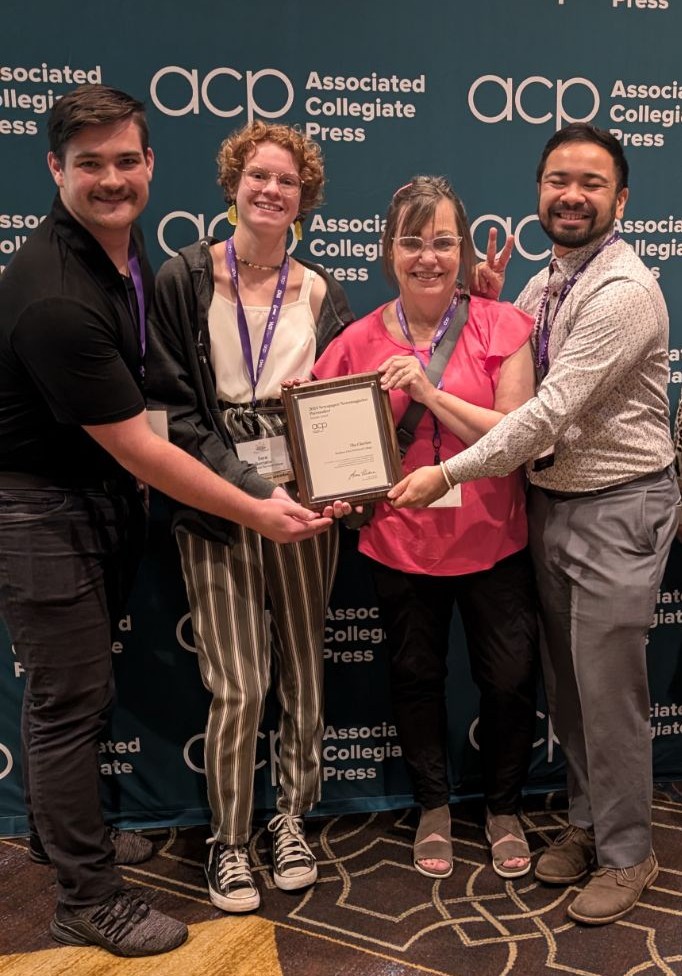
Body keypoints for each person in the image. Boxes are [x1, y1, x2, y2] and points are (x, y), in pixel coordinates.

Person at [0, 86, 335, 958]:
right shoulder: (64, 291)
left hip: (113, 501)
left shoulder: (120, 248)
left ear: (150, 164)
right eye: (89, 164)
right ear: (54, 170)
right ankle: (90, 893)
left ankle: (73, 840)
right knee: (72, 702)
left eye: (126, 160)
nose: (112, 178)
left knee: (89, 694)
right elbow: (153, 439)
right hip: (51, 508)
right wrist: (255, 507)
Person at [389, 124, 679, 924]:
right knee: (573, 689)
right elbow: (504, 356)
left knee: (610, 692)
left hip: (617, 507)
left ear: (621, 200)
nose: (572, 195)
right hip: (553, 506)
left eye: (591, 183)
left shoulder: (621, 292)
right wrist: (483, 298)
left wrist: (444, 470)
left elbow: (541, 418)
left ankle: (630, 854)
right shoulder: (548, 282)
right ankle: (588, 824)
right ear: (540, 191)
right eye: (558, 180)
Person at [144, 120, 353, 913]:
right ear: (233, 183)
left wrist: (334, 485)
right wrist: (245, 491)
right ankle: (230, 838)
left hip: (301, 502)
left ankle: (290, 819)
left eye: (288, 182)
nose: (272, 190)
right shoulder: (184, 277)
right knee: (238, 682)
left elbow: (342, 407)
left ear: (306, 199)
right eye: (258, 176)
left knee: (303, 665)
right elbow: (171, 410)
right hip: (214, 496)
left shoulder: (322, 290)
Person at [312, 176, 539, 880]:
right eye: (412, 241)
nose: (429, 257)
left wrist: (428, 391)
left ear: (462, 248)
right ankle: (433, 805)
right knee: (415, 677)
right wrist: (335, 490)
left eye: (443, 241)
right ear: (389, 251)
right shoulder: (353, 342)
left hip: (493, 538)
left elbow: (516, 433)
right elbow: (324, 444)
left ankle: (503, 806)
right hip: (400, 545)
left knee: (507, 679)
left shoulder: (503, 326)